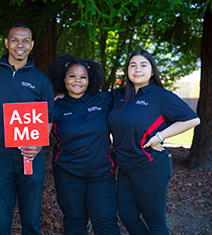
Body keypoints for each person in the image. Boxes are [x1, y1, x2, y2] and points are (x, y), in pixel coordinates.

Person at [0, 23, 55, 235]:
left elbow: (49, 117)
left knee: (32, 218)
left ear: (32, 45)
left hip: (31, 155)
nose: (20, 45)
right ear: (7, 43)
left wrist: (39, 144)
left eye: (25, 41)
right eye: (15, 40)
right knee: (0, 218)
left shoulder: (41, 80)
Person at [108, 49, 200, 235]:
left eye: (143, 65)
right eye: (132, 65)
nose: (137, 69)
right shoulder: (119, 96)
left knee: (155, 222)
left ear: (152, 71)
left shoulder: (160, 95)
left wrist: (159, 136)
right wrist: (62, 98)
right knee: (128, 216)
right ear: (127, 70)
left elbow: (192, 119)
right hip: (125, 167)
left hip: (150, 166)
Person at [48, 55, 120, 235]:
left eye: (83, 77)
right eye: (72, 76)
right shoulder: (55, 107)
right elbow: (36, 133)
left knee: (106, 223)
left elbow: (129, 111)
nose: (77, 81)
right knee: (74, 222)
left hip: (102, 175)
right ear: (64, 79)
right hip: (68, 175)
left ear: (90, 80)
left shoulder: (104, 100)